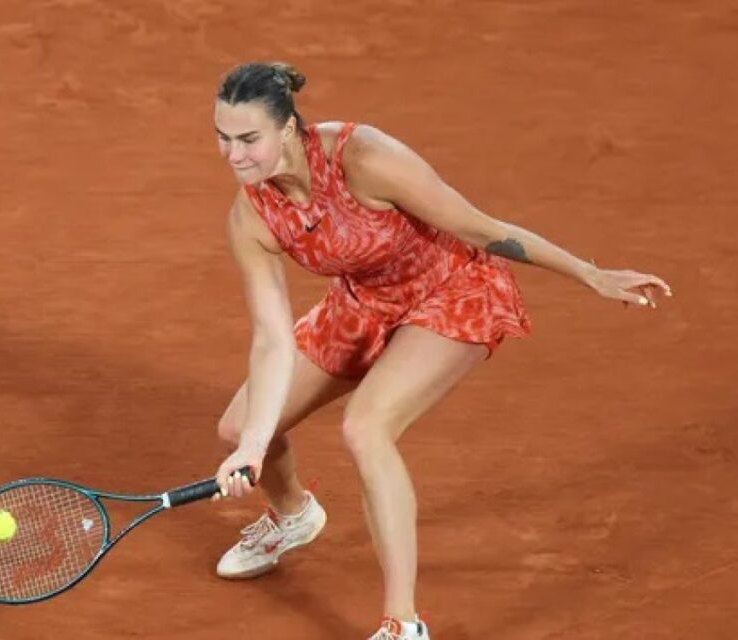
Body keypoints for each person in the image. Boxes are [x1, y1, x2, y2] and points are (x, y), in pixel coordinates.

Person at [208, 61, 671, 640]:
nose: (234, 155)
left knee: (366, 427)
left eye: (248, 139)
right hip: (363, 303)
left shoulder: (364, 158)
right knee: (239, 426)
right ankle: (293, 515)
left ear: (286, 128)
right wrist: (253, 445)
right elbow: (273, 338)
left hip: (452, 290)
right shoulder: (251, 216)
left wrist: (590, 273)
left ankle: (403, 623)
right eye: (223, 138)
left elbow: (478, 228)